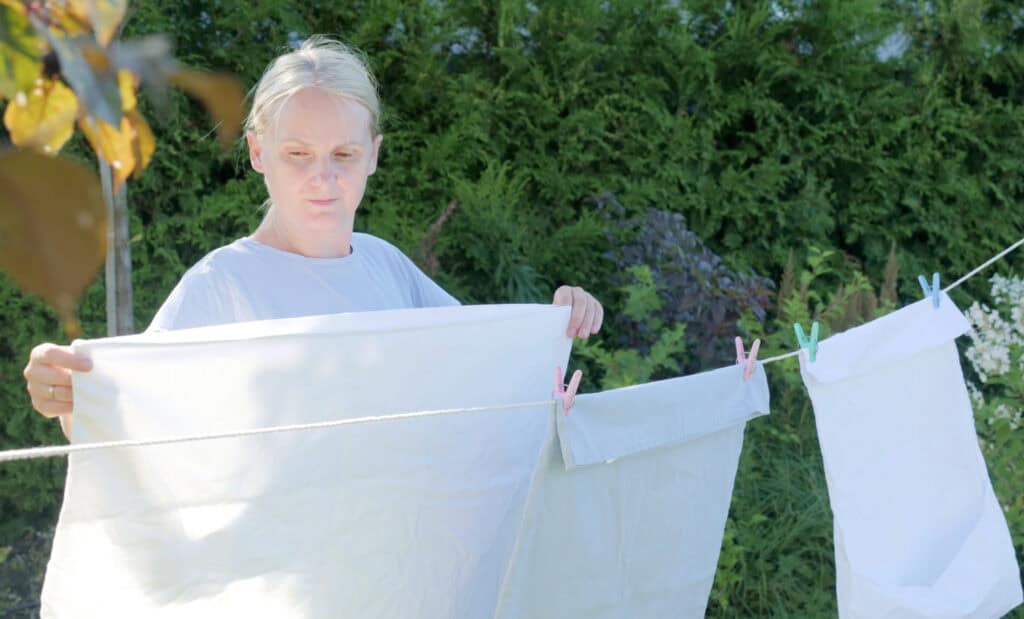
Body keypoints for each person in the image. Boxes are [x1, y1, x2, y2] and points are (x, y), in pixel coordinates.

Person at [22, 36, 604, 438]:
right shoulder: (223, 286)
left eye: (343, 154)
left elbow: (490, 371)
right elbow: (127, 422)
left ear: (373, 155)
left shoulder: (387, 268)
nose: (323, 178)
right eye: (298, 154)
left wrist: (556, 322)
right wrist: (68, 398)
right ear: (258, 152)